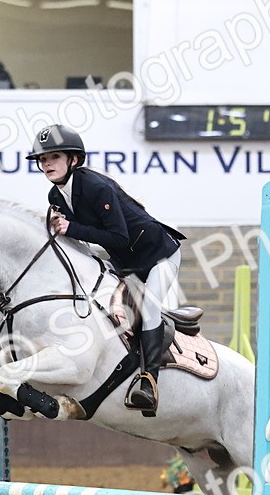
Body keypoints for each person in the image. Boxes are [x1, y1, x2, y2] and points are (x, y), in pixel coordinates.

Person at [26, 124, 184, 415]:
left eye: (54, 157)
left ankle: (149, 381)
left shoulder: (96, 187)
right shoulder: (56, 197)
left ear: (73, 160)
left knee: (148, 307)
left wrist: (72, 227)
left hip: (159, 255)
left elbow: (119, 237)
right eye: (43, 160)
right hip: (127, 264)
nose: (47, 164)